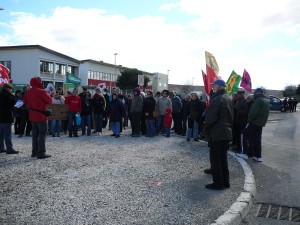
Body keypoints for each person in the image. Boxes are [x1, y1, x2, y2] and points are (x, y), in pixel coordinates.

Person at [203, 79, 234, 190]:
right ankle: (225, 182)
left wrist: (206, 129)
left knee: (215, 159)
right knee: (223, 158)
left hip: (217, 132)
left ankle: (218, 184)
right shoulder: (228, 97)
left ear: (219, 86)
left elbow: (211, 118)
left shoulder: (218, 98)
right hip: (226, 131)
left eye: (214, 85)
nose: (212, 87)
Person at [23, 77, 52, 159]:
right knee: (42, 134)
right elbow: (49, 100)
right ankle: (41, 153)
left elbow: (25, 102)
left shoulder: (28, 91)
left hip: (32, 115)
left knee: (35, 134)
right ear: (39, 82)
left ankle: (34, 152)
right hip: (41, 115)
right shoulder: (41, 91)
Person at [239, 88, 269, 162]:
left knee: (244, 134)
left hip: (253, 122)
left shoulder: (258, 101)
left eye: (255, 92)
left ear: (258, 92)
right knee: (257, 139)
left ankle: (244, 153)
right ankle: (258, 156)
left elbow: (253, 113)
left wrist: (249, 121)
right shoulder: (266, 101)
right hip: (260, 123)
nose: (254, 94)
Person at [0, 83, 19, 154]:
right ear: (8, 88)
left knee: (0, 135)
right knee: (7, 135)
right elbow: (12, 104)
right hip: (6, 117)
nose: (11, 90)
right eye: (10, 89)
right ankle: (9, 149)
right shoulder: (9, 96)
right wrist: (13, 96)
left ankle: (1, 148)